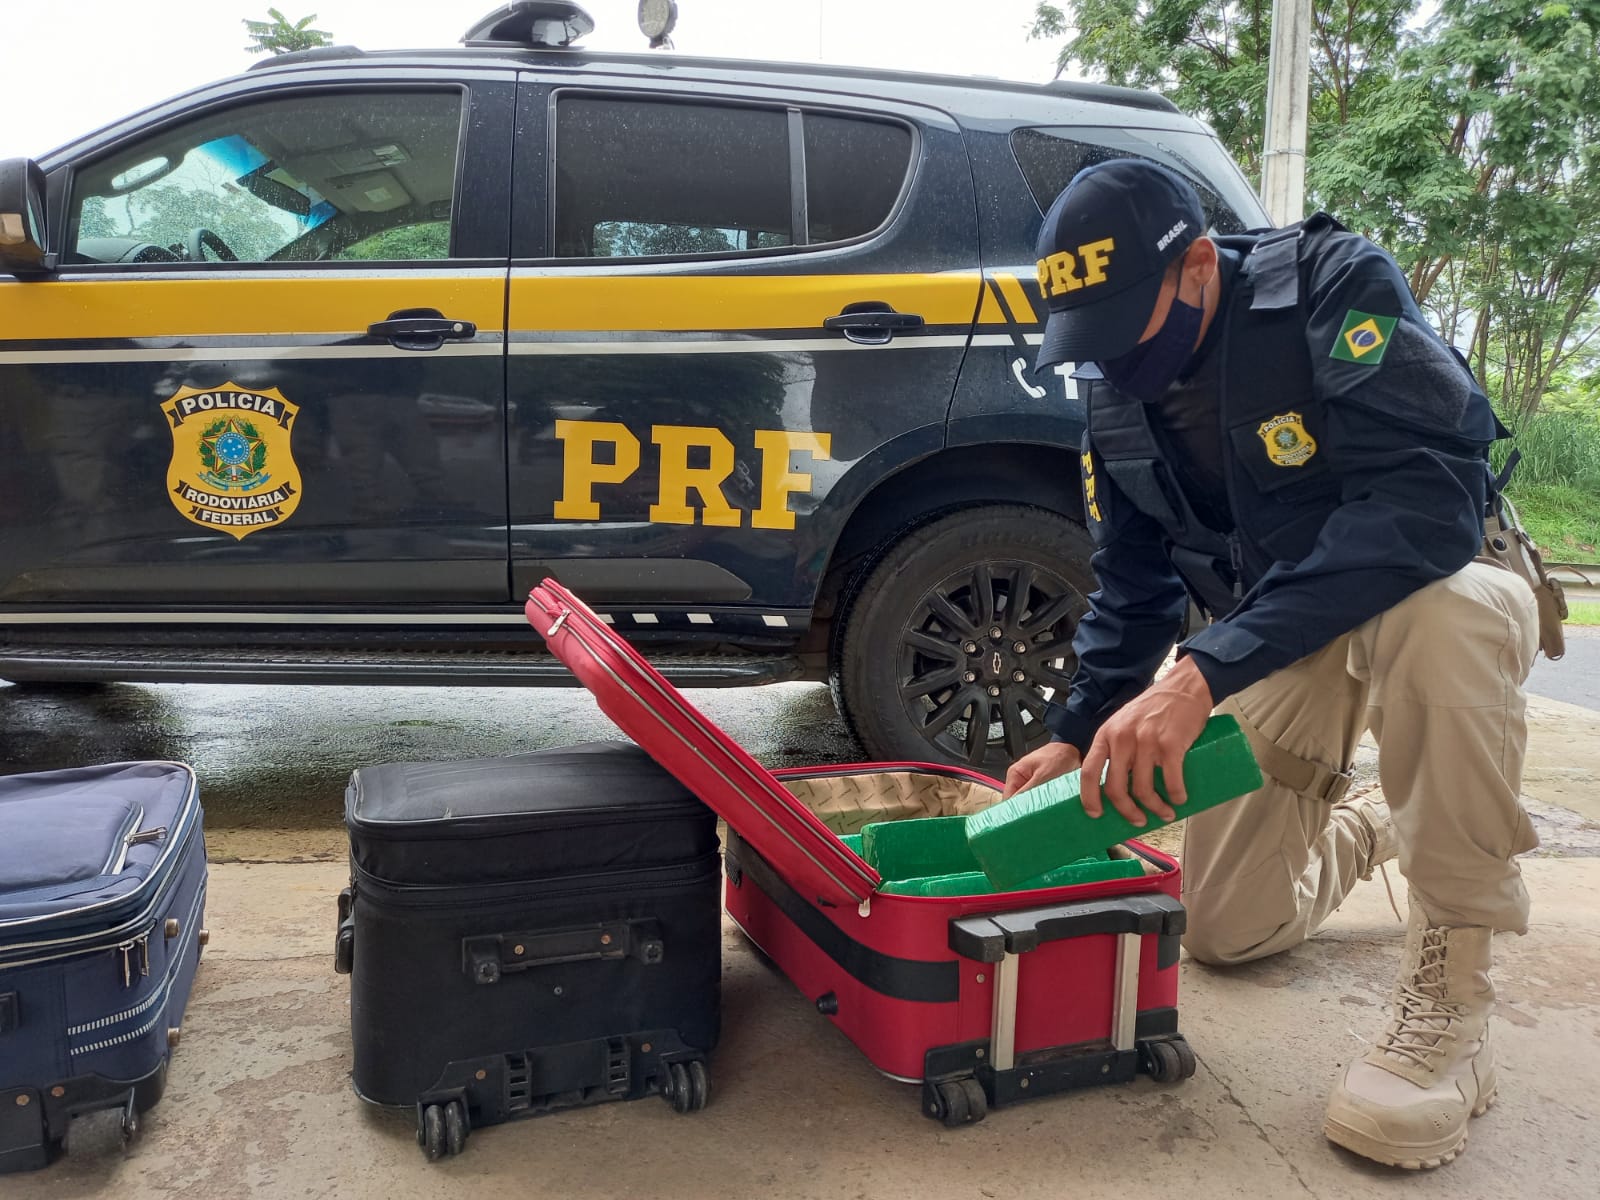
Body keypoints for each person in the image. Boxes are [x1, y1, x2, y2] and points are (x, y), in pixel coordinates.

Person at [1003, 158, 1542, 1170]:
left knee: (1443, 615)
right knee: (1222, 931)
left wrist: (1197, 674)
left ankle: (1451, 1006)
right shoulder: (1118, 387)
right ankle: (1383, 823)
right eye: (1095, 343)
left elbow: (1425, 509)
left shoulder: (1334, 287)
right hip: (1278, 634)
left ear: (1198, 266)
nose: (1117, 364)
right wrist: (1075, 727)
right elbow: (1132, 580)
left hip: (1429, 588)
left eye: (1131, 328)